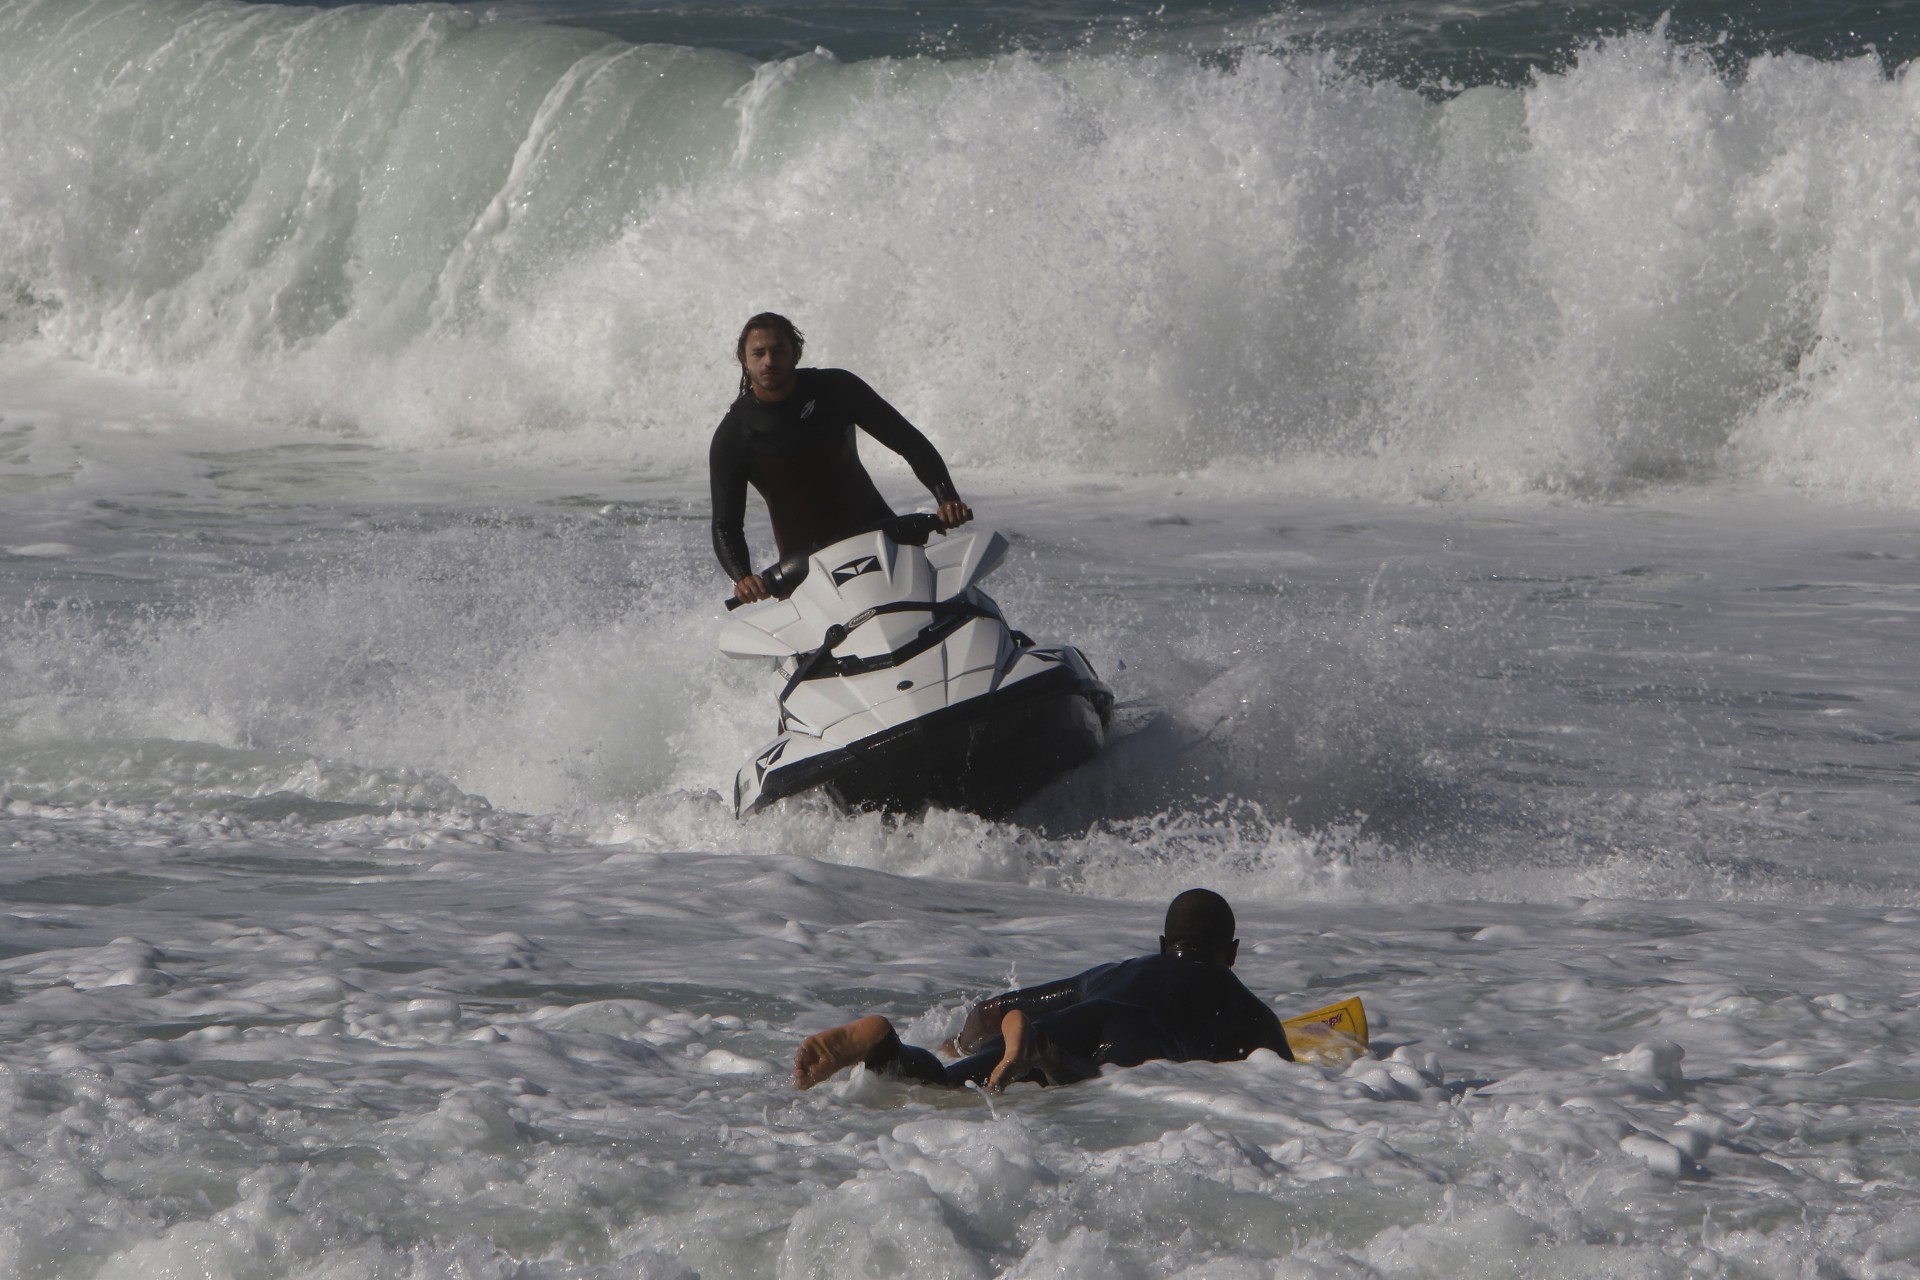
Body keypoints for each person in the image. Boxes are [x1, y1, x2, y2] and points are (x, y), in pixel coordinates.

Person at [792, 889, 1293, 1092]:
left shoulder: (1117, 970)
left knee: (946, 1085)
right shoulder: (1246, 1009)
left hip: (1081, 1014)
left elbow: (993, 1009)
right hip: (1141, 1037)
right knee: (1086, 1077)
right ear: (1231, 953)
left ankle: (888, 1048)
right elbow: (1285, 1076)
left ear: (1164, 945)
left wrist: (960, 1043)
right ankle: (1041, 1053)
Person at [710, 312, 974, 603]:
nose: (769, 361)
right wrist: (743, 577)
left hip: (883, 538)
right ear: (744, 359)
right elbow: (726, 523)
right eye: (758, 353)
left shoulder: (836, 389)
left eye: (778, 351)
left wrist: (946, 497)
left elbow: (908, 442)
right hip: (806, 571)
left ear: (795, 353)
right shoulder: (734, 435)